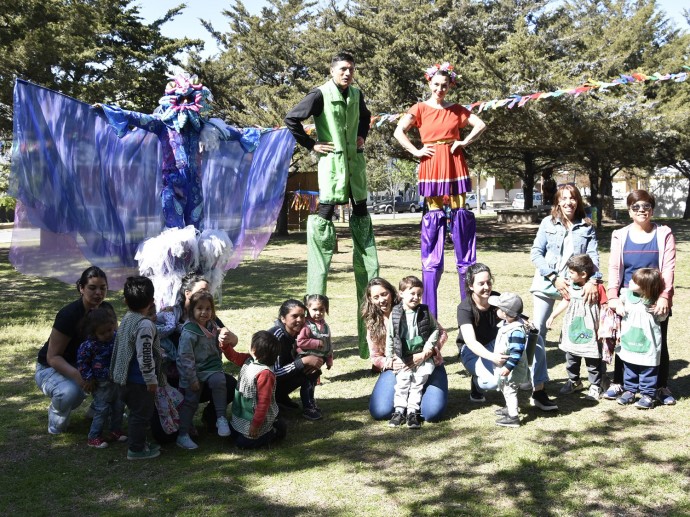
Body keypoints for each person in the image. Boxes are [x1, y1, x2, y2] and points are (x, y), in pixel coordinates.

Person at [285, 51, 379, 358]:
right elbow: (291, 118)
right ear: (332, 70)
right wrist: (312, 144)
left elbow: (365, 117)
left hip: (356, 175)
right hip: (332, 173)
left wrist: (362, 136)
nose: (348, 73)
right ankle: (310, 344)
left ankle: (372, 343)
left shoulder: (356, 93)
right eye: (343, 69)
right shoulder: (320, 94)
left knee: (367, 254)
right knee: (321, 245)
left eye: (351, 69)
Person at [394, 62, 486, 316]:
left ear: (450, 86)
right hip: (432, 162)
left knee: (460, 215)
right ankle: (430, 311)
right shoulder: (420, 108)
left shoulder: (456, 110)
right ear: (429, 84)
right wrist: (415, 150)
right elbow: (399, 131)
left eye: (445, 85)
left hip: (454, 162)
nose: (440, 89)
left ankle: (470, 307)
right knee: (434, 219)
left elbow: (480, 125)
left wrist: (464, 141)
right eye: (436, 84)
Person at [529, 184, 601, 409]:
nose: (568, 202)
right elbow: (536, 252)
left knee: (578, 329)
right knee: (537, 330)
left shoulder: (587, 226)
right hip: (547, 282)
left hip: (574, 286)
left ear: (578, 201)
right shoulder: (547, 223)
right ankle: (534, 379)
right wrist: (553, 277)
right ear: (558, 202)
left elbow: (594, 258)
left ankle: (581, 379)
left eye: (573, 198)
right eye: (564, 198)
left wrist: (592, 280)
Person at [605, 190, 676, 405]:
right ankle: (621, 383)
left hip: (654, 298)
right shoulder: (620, 234)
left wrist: (664, 297)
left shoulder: (664, 233)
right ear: (629, 211)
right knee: (625, 339)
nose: (641, 210)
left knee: (657, 341)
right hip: (627, 298)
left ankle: (660, 386)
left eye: (646, 206)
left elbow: (668, 268)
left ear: (652, 210)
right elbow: (615, 267)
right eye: (636, 207)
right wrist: (613, 297)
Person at [458, 263, 556, 410]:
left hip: (497, 343)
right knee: (492, 382)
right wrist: (492, 357)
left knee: (536, 339)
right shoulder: (464, 308)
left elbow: (518, 317)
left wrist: (527, 326)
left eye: (488, 282)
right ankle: (477, 384)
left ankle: (539, 392)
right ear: (471, 286)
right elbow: (471, 342)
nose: (486, 287)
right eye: (481, 283)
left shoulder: (497, 298)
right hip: (473, 352)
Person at [35, 266, 112, 435]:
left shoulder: (106, 310)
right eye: (92, 288)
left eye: (103, 288)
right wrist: (81, 377)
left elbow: (111, 342)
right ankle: (56, 420)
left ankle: (96, 411)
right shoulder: (68, 314)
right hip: (50, 368)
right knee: (71, 393)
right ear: (81, 288)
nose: (98, 293)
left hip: (86, 366)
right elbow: (53, 357)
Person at [157, 272, 238, 433]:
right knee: (164, 436)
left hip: (204, 374)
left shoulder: (208, 317)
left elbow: (232, 340)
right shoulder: (169, 316)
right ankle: (182, 427)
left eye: (208, 291)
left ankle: (212, 417)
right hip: (174, 380)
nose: (205, 294)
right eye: (201, 290)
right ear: (187, 293)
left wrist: (228, 335)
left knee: (227, 384)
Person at [362, 278, 448, 422]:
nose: (382, 300)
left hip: (427, 362)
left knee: (431, 414)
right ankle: (405, 401)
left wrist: (428, 352)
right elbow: (375, 356)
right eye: (376, 297)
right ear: (370, 299)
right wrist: (390, 363)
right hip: (399, 367)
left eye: (384, 294)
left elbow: (442, 333)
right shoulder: (373, 324)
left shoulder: (414, 307)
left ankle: (417, 399)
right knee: (380, 411)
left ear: (394, 293)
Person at [111, 276, 165, 461]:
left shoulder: (127, 318)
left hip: (123, 378)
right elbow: (146, 354)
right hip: (138, 381)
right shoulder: (145, 325)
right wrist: (151, 379)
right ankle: (136, 449)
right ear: (151, 302)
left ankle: (140, 442)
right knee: (140, 415)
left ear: (125, 301)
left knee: (137, 414)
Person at [546, 254, 608, 401]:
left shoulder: (597, 288)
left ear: (583, 274)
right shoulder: (570, 286)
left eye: (572, 272)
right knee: (571, 357)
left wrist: (603, 327)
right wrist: (552, 316)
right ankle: (574, 381)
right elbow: (566, 301)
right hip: (572, 329)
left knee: (593, 359)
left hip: (592, 330)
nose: (568, 274)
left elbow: (605, 307)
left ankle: (595, 386)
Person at [175, 291, 231, 450]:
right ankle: (183, 435)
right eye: (199, 308)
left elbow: (215, 345)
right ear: (191, 310)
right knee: (190, 402)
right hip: (192, 371)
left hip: (211, 367)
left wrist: (221, 335)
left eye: (208, 308)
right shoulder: (189, 331)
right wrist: (192, 379)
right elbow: (185, 358)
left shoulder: (212, 326)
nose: (204, 312)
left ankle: (221, 418)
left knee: (220, 381)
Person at [386, 276, 439, 429]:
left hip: (422, 357)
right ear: (401, 293)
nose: (416, 297)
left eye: (419, 294)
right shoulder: (395, 313)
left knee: (417, 384)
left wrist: (428, 348)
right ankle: (399, 411)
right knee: (402, 383)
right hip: (403, 356)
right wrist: (390, 356)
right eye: (412, 293)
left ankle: (412, 412)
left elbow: (436, 329)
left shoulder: (424, 312)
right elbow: (390, 336)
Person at [221, 331, 287, 449]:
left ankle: (273, 432)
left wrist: (255, 425)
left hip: (257, 419)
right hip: (243, 412)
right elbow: (233, 356)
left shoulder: (265, 374)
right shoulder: (249, 359)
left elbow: (263, 403)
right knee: (231, 435)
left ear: (255, 350)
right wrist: (225, 346)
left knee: (242, 443)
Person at [613, 268, 667, 409]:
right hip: (629, 339)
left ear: (645, 287)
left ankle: (648, 395)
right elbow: (616, 302)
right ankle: (629, 391)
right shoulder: (626, 295)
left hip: (648, 343)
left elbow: (662, 317)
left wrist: (658, 309)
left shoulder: (654, 301)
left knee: (647, 369)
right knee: (629, 366)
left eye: (634, 281)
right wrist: (618, 305)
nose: (630, 281)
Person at [76, 307, 126, 448]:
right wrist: (88, 377)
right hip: (100, 383)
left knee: (119, 406)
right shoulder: (89, 346)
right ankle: (94, 436)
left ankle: (115, 430)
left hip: (116, 380)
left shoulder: (116, 338)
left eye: (110, 330)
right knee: (102, 409)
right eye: (102, 333)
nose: (108, 334)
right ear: (93, 333)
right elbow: (82, 363)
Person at [268, 299, 324, 420]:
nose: (299, 320)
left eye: (302, 316)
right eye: (294, 316)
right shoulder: (276, 336)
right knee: (305, 369)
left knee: (312, 370)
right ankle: (279, 399)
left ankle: (286, 399)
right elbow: (274, 373)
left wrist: (318, 359)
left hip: (278, 382)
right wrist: (303, 362)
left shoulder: (299, 334)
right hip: (265, 387)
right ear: (283, 318)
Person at [488, 293, 531, 428]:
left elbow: (516, 353)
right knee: (506, 389)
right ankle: (509, 408)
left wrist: (508, 367)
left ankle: (513, 417)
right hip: (506, 367)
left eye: (499, 308)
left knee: (510, 390)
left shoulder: (516, 331)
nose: (496, 310)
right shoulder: (508, 324)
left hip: (512, 369)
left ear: (506, 313)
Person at [296, 294, 333, 420]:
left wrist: (329, 359)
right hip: (307, 359)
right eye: (315, 310)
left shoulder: (324, 325)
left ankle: (311, 403)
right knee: (307, 383)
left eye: (321, 310)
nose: (318, 313)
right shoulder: (306, 325)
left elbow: (328, 343)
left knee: (312, 383)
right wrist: (316, 343)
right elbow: (300, 342)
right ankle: (307, 407)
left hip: (319, 360)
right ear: (307, 309)